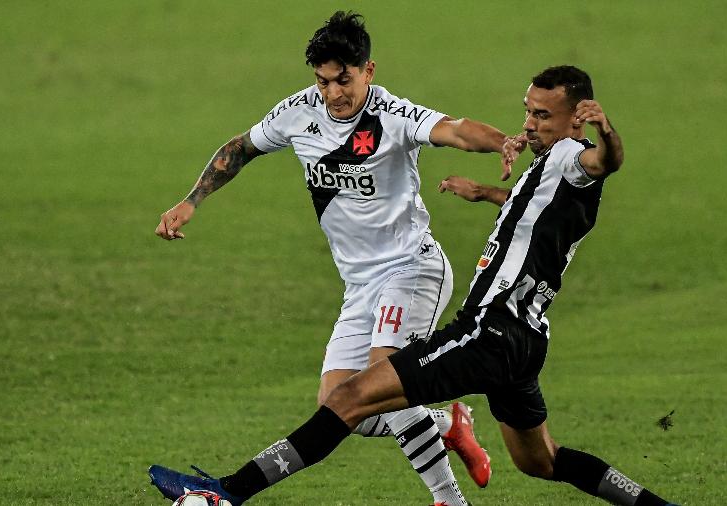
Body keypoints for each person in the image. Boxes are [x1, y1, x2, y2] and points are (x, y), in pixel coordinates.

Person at [149, 66, 680, 506]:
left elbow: (605, 162)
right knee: (543, 461)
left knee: (352, 397)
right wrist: (487, 194)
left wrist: (608, 133)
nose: (529, 122)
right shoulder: (553, 171)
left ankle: (226, 493)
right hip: (526, 339)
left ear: (577, 117)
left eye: (542, 114)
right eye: (527, 109)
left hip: (489, 330)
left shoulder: (574, 156)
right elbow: (538, 214)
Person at [153, 11, 519, 506]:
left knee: (379, 381)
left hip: (412, 269)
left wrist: (506, 142)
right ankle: (447, 421)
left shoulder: (392, 115)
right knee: (338, 408)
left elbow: (454, 130)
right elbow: (239, 148)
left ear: (368, 70)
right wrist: (190, 201)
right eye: (323, 81)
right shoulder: (299, 112)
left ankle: (449, 500)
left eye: (343, 80)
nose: (333, 94)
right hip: (360, 287)